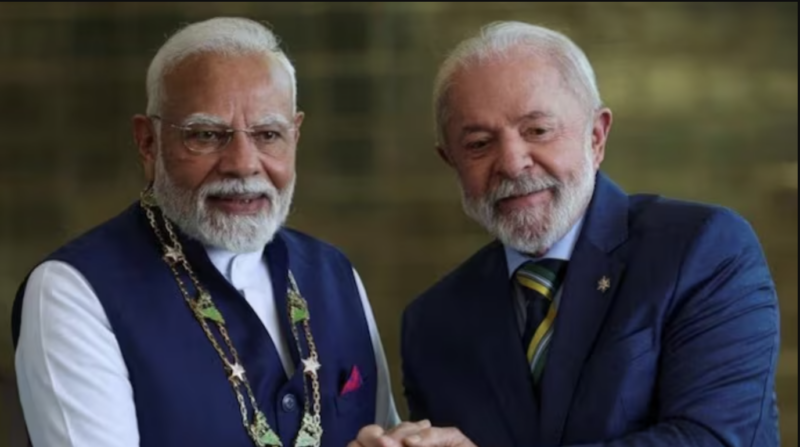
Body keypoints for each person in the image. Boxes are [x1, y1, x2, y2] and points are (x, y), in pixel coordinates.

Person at [350, 20, 781, 447]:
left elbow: (713, 439)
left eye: (537, 131)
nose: (512, 163)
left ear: (596, 137)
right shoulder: (433, 324)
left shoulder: (702, 250)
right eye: (479, 143)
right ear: (451, 162)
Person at [11, 17, 399, 447]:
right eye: (207, 135)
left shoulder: (335, 273)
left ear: (295, 136)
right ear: (148, 142)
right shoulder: (73, 292)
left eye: (268, 134)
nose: (243, 164)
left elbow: (381, 431)